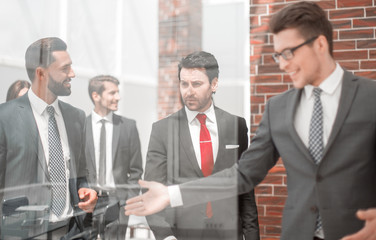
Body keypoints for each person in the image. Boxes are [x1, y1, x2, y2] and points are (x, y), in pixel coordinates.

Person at [125, 2, 376, 240]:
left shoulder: (371, 98)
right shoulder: (278, 108)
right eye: (278, 56)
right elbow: (242, 174)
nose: (283, 65)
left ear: (320, 44)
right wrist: (171, 195)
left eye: (288, 53)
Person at [143, 51, 259, 240]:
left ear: (214, 84)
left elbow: (245, 191)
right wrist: (165, 236)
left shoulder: (236, 125)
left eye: (196, 84)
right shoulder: (162, 130)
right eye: (184, 84)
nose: (189, 91)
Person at [0, 37, 97, 239]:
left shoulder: (76, 117)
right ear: (41, 73)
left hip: (71, 231)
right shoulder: (4, 118)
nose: (73, 74)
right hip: (23, 233)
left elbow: (82, 173)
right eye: (65, 68)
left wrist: (87, 190)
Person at [85, 75, 143, 239]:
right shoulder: (81, 126)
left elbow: (136, 170)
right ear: (96, 96)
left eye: (118, 92)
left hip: (117, 204)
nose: (118, 97)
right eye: (112, 93)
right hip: (88, 202)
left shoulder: (128, 127)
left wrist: (127, 203)